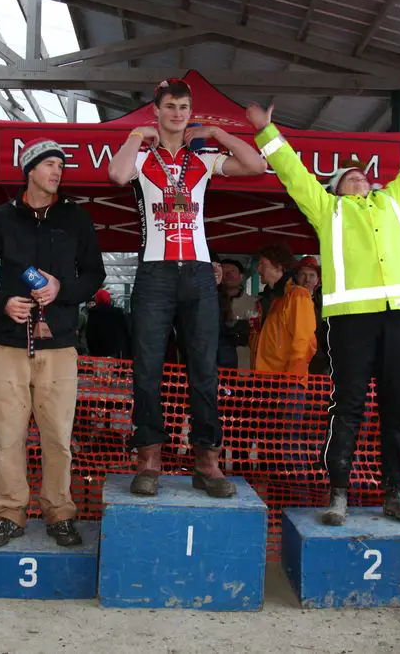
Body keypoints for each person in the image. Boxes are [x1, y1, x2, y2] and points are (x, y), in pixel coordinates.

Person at [246, 99, 400, 526]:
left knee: (399, 407)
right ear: (334, 189)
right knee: (347, 408)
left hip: (399, 317)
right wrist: (267, 132)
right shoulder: (328, 212)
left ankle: (395, 493)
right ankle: (338, 494)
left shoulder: (393, 202)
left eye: (363, 175)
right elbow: (293, 175)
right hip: (350, 323)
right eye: (348, 177)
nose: (359, 179)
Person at [107, 78, 267, 498]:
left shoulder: (205, 158)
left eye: (183, 107)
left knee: (205, 370)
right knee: (147, 369)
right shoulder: (141, 158)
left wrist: (218, 133)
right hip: (155, 274)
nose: (177, 113)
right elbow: (117, 173)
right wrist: (134, 134)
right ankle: (149, 459)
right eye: (170, 107)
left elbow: (256, 166)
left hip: (197, 271)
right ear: (156, 111)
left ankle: (207, 461)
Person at [0, 138, 106, 548]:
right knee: (7, 437)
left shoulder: (76, 219)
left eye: (60, 165)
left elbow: (94, 275)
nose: (57, 171)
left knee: (58, 437)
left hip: (60, 347)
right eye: (48, 164)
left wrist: (63, 289)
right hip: (8, 347)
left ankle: (59, 513)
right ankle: (10, 514)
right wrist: (2, 303)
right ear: (29, 170)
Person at [249, 243, 317, 375]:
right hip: (264, 378)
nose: (258, 269)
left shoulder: (297, 294)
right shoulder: (268, 299)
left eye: (262, 264)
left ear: (278, 266)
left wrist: (293, 378)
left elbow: (304, 339)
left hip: (286, 381)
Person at [296, 255, 329, 375]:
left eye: (311, 275)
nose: (307, 279)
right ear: (296, 277)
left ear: (318, 280)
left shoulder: (325, 303)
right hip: (296, 360)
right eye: (303, 274)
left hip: (320, 361)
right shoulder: (289, 301)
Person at [85, 289, 131, 359]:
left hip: (97, 350)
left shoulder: (93, 314)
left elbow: (89, 334)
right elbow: (124, 331)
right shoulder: (117, 312)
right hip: (115, 350)